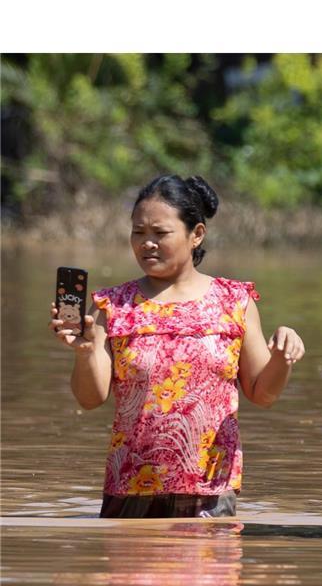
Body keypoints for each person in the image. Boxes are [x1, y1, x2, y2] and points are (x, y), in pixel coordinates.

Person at [49, 174, 306, 518]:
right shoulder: (113, 306)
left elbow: (263, 394)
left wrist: (282, 358)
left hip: (210, 490)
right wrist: (84, 353)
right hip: (130, 487)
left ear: (196, 234)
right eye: (138, 233)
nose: (147, 244)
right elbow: (90, 399)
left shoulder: (234, 302)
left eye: (160, 233)